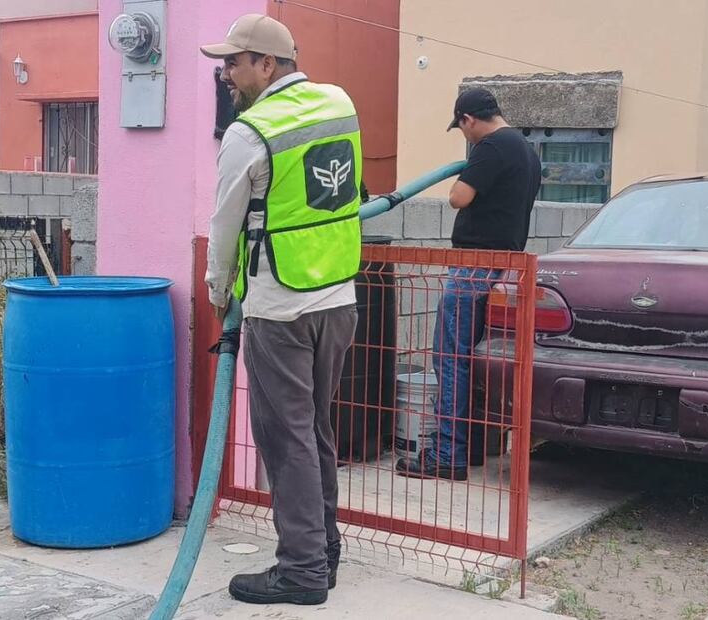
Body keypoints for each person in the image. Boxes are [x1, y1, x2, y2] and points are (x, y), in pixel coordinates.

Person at [200, 14, 362, 606]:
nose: (225, 73)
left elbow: (224, 226)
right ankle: (323, 554)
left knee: (285, 438)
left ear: (267, 65)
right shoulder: (339, 104)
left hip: (279, 308)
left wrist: (219, 290)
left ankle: (301, 570)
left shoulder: (249, 131)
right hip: (339, 297)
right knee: (313, 431)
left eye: (234, 62)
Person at [396, 88, 540, 481]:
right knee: (474, 362)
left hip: (474, 265)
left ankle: (447, 455)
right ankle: (471, 446)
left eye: (461, 128)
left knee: (450, 359)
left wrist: (465, 172)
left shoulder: (491, 147)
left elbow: (458, 198)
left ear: (468, 120)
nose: (465, 137)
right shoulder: (527, 150)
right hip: (504, 266)